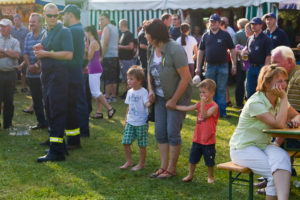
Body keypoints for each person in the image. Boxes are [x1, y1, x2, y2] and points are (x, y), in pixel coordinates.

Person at [230, 64, 300, 200]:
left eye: (285, 81)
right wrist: (285, 98)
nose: (284, 85)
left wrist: (296, 118)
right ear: (267, 84)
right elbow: (279, 125)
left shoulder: (279, 99)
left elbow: (297, 115)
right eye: (279, 81)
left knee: (283, 158)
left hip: (263, 146)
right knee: (274, 172)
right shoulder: (256, 102)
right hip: (243, 148)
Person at [144, 19, 192, 179]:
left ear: (155, 35)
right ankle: (163, 167)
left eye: (147, 33)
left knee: (172, 132)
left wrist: (174, 100)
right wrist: (151, 90)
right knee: (160, 133)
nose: (145, 36)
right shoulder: (152, 48)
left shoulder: (175, 50)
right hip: (159, 97)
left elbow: (185, 78)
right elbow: (149, 71)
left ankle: (171, 169)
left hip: (177, 97)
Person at [35, 3, 74, 162]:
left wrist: (46, 53)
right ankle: (58, 145)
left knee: (56, 112)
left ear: (58, 15)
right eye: (49, 15)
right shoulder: (46, 31)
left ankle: (56, 152)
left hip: (58, 76)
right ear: (43, 15)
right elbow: (47, 49)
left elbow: (68, 55)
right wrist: (40, 48)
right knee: (49, 110)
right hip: (47, 75)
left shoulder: (65, 31)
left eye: (55, 15)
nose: (52, 18)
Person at [176, 79, 219, 183]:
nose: (201, 95)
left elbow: (204, 115)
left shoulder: (214, 107)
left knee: (209, 160)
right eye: (200, 92)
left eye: (204, 92)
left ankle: (210, 177)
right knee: (192, 158)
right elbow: (188, 108)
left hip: (208, 140)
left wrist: (203, 103)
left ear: (212, 93)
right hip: (198, 138)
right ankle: (190, 175)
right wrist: (175, 107)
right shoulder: (200, 104)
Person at [195, 13, 236, 118]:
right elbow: (200, 51)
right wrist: (198, 67)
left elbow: (232, 49)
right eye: (211, 21)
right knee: (209, 90)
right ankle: (210, 111)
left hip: (223, 66)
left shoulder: (225, 34)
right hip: (210, 66)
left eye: (215, 22)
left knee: (221, 89)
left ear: (219, 23)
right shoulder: (205, 35)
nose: (213, 23)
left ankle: (222, 112)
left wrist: (234, 64)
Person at [60, 4, 87, 149]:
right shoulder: (79, 29)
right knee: (73, 107)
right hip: (75, 72)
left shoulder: (72, 31)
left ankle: (74, 140)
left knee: (70, 108)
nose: (62, 17)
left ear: (70, 14)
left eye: (63, 14)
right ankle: (73, 137)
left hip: (71, 73)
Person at [120, 65, 151, 171]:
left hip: (141, 123)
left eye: (131, 79)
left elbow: (147, 104)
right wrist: (126, 120)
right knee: (125, 142)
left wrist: (151, 101)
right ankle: (129, 161)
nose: (128, 81)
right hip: (130, 122)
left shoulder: (144, 92)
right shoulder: (129, 92)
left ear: (139, 80)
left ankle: (141, 164)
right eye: (128, 78)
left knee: (142, 145)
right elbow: (128, 106)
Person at [84, 25, 116, 119]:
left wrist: (85, 49)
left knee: (95, 92)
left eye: (85, 32)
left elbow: (89, 57)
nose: (85, 34)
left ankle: (110, 108)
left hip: (94, 70)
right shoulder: (94, 42)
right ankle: (99, 112)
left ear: (89, 32)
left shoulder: (93, 43)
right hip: (95, 69)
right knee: (97, 91)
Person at [23, 13, 48, 130]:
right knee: (36, 98)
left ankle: (50, 122)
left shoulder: (45, 34)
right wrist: (29, 66)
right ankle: (41, 122)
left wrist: (36, 65)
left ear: (40, 22)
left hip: (44, 72)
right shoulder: (28, 36)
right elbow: (26, 53)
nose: (31, 23)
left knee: (47, 99)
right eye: (30, 21)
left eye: (33, 21)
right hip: (31, 73)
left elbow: (47, 52)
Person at [243, 17, 273, 99]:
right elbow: (248, 52)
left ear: (261, 25)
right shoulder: (250, 38)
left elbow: (269, 55)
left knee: (261, 90)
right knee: (249, 90)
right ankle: (250, 110)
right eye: (252, 24)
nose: (253, 26)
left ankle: (261, 110)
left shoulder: (266, 39)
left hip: (261, 67)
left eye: (255, 24)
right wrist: (244, 54)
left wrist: (265, 70)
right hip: (251, 67)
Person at [0, 19, 21, 129]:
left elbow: (17, 55)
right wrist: (9, 53)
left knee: (9, 100)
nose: (1, 28)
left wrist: (3, 50)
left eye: (4, 26)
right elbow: (13, 54)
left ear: (10, 28)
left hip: (11, 74)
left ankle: (7, 124)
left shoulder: (15, 41)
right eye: (1, 26)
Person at [99, 13, 119, 103]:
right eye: (100, 20)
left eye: (102, 19)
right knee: (114, 77)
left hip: (108, 56)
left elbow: (105, 43)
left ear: (107, 19)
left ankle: (107, 96)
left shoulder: (107, 28)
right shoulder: (115, 28)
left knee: (107, 77)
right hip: (115, 55)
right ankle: (113, 96)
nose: (100, 22)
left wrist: (101, 56)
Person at [233, 18, 249, 108]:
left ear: (239, 25)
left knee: (239, 82)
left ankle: (239, 103)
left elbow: (235, 48)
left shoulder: (237, 34)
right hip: (251, 61)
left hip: (240, 61)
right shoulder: (252, 33)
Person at [11, 14, 29, 93]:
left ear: (21, 20)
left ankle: (23, 87)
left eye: (18, 20)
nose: (16, 21)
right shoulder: (11, 30)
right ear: (13, 21)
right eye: (15, 20)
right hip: (14, 54)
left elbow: (27, 42)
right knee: (14, 71)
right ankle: (14, 88)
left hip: (22, 53)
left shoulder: (25, 30)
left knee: (23, 72)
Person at [118, 19, 135, 96]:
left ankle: (129, 93)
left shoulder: (129, 34)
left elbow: (131, 47)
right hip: (123, 59)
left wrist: (119, 46)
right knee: (125, 78)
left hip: (127, 59)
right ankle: (127, 92)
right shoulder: (123, 34)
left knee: (128, 77)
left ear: (121, 25)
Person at [137, 20, 148, 88]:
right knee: (144, 72)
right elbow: (142, 45)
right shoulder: (143, 34)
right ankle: (143, 86)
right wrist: (151, 48)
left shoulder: (142, 32)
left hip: (142, 56)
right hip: (143, 56)